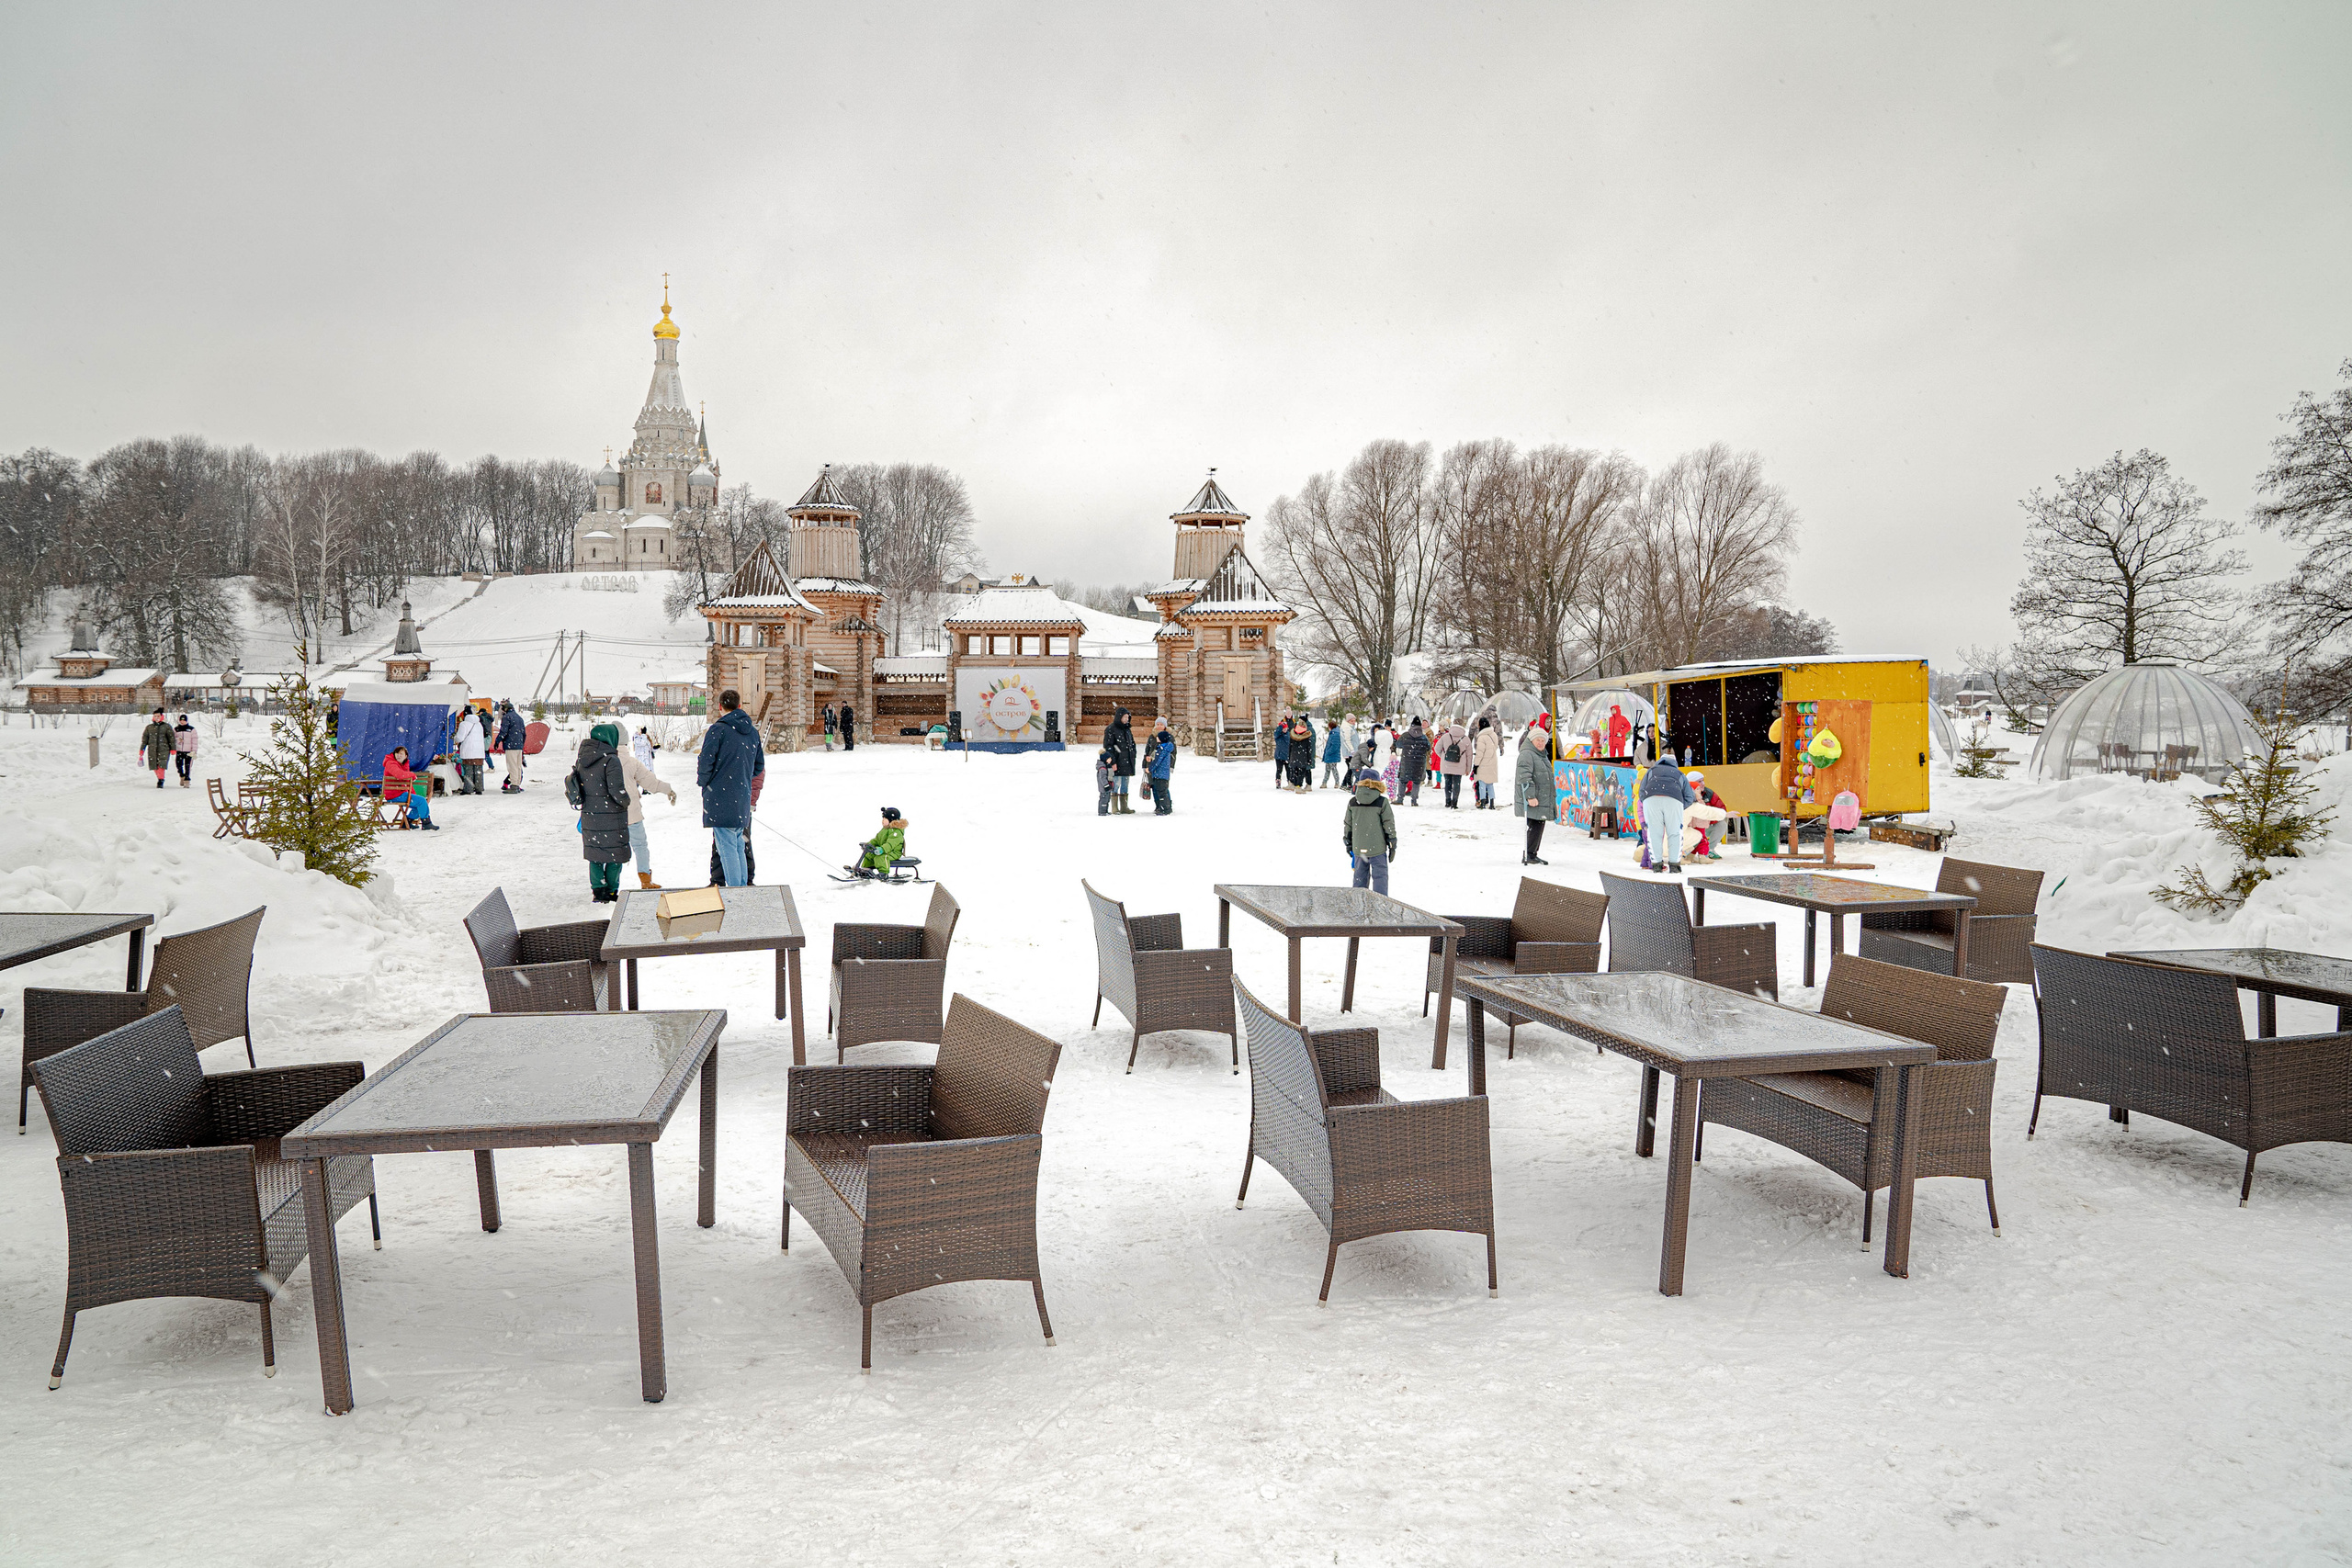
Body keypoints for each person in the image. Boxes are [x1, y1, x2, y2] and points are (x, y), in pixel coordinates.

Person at [696, 687, 763, 887]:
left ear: (720, 707)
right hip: (742, 794)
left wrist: (706, 782)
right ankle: (742, 886)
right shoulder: (752, 732)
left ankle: (736, 890)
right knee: (737, 843)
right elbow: (759, 765)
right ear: (740, 706)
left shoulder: (718, 730)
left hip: (720, 795)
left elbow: (705, 761)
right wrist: (741, 776)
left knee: (726, 846)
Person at [567, 723, 632, 901]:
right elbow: (617, 790)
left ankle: (598, 890)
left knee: (595, 854)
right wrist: (626, 801)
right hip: (612, 816)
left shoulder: (582, 758)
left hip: (590, 814)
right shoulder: (611, 760)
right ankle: (611, 890)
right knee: (615, 855)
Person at [618, 727, 677, 889]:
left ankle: (607, 885)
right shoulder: (631, 762)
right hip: (631, 813)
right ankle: (645, 880)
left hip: (610, 815)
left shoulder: (602, 761)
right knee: (640, 846)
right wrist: (668, 789)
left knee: (610, 848)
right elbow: (650, 782)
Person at [1639, 752, 1697, 875]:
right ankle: (1674, 865)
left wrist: (1647, 802)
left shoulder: (1652, 771)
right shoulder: (1679, 774)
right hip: (1674, 799)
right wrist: (1680, 806)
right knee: (1675, 833)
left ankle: (1657, 865)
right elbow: (1689, 796)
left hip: (1651, 798)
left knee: (1654, 833)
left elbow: (1642, 791)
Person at [1341, 773, 1397, 896]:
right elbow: (1388, 823)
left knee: (1359, 877)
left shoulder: (1353, 802)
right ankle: (1380, 904)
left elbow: (1348, 824)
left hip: (1359, 847)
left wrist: (1348, 842)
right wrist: (1392, 841)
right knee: (1380, 878)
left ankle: (1358, 904)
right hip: (1377, 847)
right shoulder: (1382, 801)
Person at [1514, 713, 1555, 865]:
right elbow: (1524, 777)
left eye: (1543, 740)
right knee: (1535, 825)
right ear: (1532, 740)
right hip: (1534, 798)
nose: (1541, 743)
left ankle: (1532, 853)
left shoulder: (1541, 754)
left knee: (1538, 825)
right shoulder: (1527, 755)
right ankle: (1530, 854)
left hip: (1541, 797)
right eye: (1538, 740)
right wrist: (1530, 796)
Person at [382, 745, 437, 829]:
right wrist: (412, 775)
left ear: (406, 756)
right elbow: (399, 775)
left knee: (419, 803)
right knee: (422, 801)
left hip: (400, 793)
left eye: (401, 754)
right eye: (397, 753)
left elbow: (408, 783)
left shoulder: (402, 765)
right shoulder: (391, 763)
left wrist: (412, 795)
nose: (399, 755)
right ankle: (426, 823)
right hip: (394, 794)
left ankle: (407, 822)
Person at [853, 807, 907, 876]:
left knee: (880, 857)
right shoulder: (884, 830)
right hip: (885, 851)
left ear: (891, 820)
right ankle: (865, 870)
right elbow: (877, 840)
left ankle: (883, 873)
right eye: (883, 818)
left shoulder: (896, 832)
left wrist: (882, 849)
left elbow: (890, 844)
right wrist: (869, 844)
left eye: (885, 819)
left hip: (893, 852)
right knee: (869, 855)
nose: (883, 820)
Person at [1105, 707, 1136, 815]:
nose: (1127, 719)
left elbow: (1132, 744)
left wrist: (1133, 755)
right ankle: (1114, 807)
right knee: (1116, 784)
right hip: (1117, 762)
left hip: (1127, 762)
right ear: (1119, 717)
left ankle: (1124, 807)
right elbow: (1108, 747)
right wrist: (1113, 762)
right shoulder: (1111, 729)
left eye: (1128, 717)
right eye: (1125, 717)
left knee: (1125, 784)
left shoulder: (1127, 729)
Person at [1396, 717, 1432, 806]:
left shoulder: (1405, 735)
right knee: (1416, 781)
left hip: (1406, 762)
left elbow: (1398, 744)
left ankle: (1400, 799)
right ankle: (1414, 800)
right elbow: (1428, 747)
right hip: (1419, 763)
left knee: (1403, 780)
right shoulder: (1424, 737)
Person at [454, 705, 488, 794]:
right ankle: (479, 789)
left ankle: (468, 789)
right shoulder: (479, 724)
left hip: (468, 751)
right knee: (478, 771)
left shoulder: (464, 724)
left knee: (468, 772)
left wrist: (455, 737)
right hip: (479, 752)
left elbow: (460, 738)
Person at [496, 701, 528, 793]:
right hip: (518, 745)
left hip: (511, 745)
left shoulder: (507, 717)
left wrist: (497, 741)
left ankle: (514, 786)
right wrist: (521, 744)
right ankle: (517, 784)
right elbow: (524, 733)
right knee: (518, 766)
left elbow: (503, 731)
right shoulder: (519, 718)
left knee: (512, 766)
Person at [1148, 719, 1178, 814]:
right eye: (1157, 724)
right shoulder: (1153, 738)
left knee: (1162, 791)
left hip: (1160, 772)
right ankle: (1160, 806)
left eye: (1161, 724)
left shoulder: (1163, 748)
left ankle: (1165, 807)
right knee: (1157, 789)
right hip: (1158, 772)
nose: (1159, 726)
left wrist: (1151, 768)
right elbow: (1148, 750)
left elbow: (1158, 760)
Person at [140, 708, 174, 789]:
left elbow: (171, 739)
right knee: (154, 765)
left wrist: (173, 749)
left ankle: (161, 780)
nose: (156, 718)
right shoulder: (149, 727)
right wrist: (142, 749)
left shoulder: (167, 727)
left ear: (162, 716)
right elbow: (145, 740)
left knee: (161, 765)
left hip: (164, 749)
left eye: (158, 716)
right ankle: (160, 777)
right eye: (155, 716)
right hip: (152, 749)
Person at [1474, 717, 1501, 808]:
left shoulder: (1482, 737)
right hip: (1492, 761)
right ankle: (1492, 803)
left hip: (1483, 763)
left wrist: (1476, 765)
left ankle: (1483, 801)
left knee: (1482, 783)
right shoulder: (1493, 734)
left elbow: (1479, 753)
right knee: (1490, 784)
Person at [171, 713, 198, 787]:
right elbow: (173, 739)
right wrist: (178, 740)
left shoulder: (191, 729)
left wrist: (194, 751)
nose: (182, 722)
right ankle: (181, 775)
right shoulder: (176, 729)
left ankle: (187, 780)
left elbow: (195, 740)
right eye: (181, 720)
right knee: (178, 764)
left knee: (187, 766)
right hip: (179, 750)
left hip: (189, 751)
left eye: (184, 720)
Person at [1320, 718, 1343, 789]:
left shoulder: (1335, 734)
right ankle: (1324, 782)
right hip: (1330, 755)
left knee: (1333, 769)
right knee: (1328, 769)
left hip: (1332, 755)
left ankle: (1336, 782)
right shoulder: (1333, 733)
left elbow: (1335, 745)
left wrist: (1328, 752)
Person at [1095, 741, 1115, 817]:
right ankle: (1102, 811)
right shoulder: (1103, 768)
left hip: (1108, 786)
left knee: (1107, 799)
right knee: (1103, 799)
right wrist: (1106, 785)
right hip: (1104, 787)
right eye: (1109, 758)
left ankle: (1105, 810)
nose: (1110, 759)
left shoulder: (1107, 766)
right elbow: (1102, 778)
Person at [1272, 712, 1292, 789]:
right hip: (1279, 756)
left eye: (1285, 728)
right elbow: (1276, 733)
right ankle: (1278, 782)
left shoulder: (1288, 735)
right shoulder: (1278, 736)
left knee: (1288, 770)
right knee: (1279, 770)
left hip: (1287, 756)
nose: (1284, 730)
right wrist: (1280, 726)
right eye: (1283, 729)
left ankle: (1290, 782)